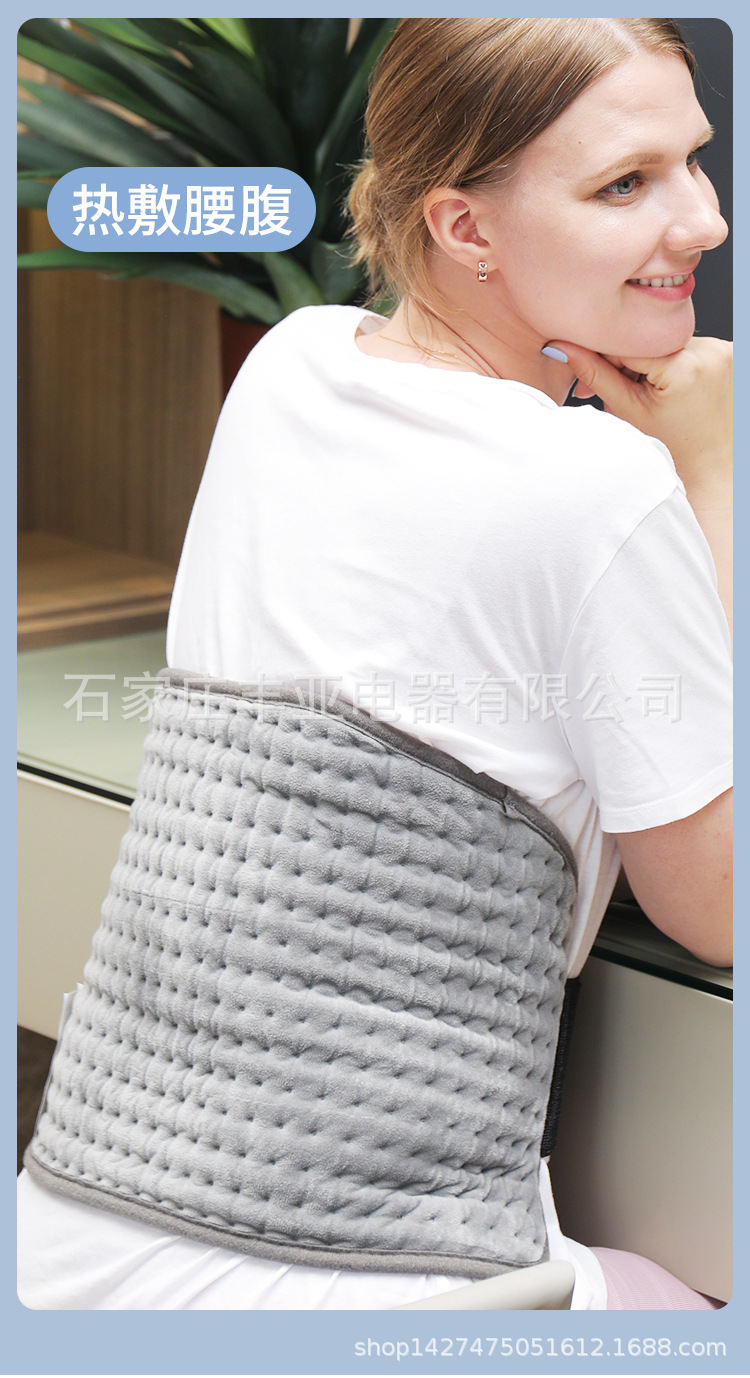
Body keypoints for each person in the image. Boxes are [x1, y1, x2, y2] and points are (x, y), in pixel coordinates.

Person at [18, 18, 731, 1310]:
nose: (703, 221)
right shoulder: (595, 486)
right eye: (625, 184)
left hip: (77, 1225)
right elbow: (719, 906)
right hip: (370, 1278)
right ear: (462, 226)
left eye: (693, 160)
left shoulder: (291, 365)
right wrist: (712, 467)